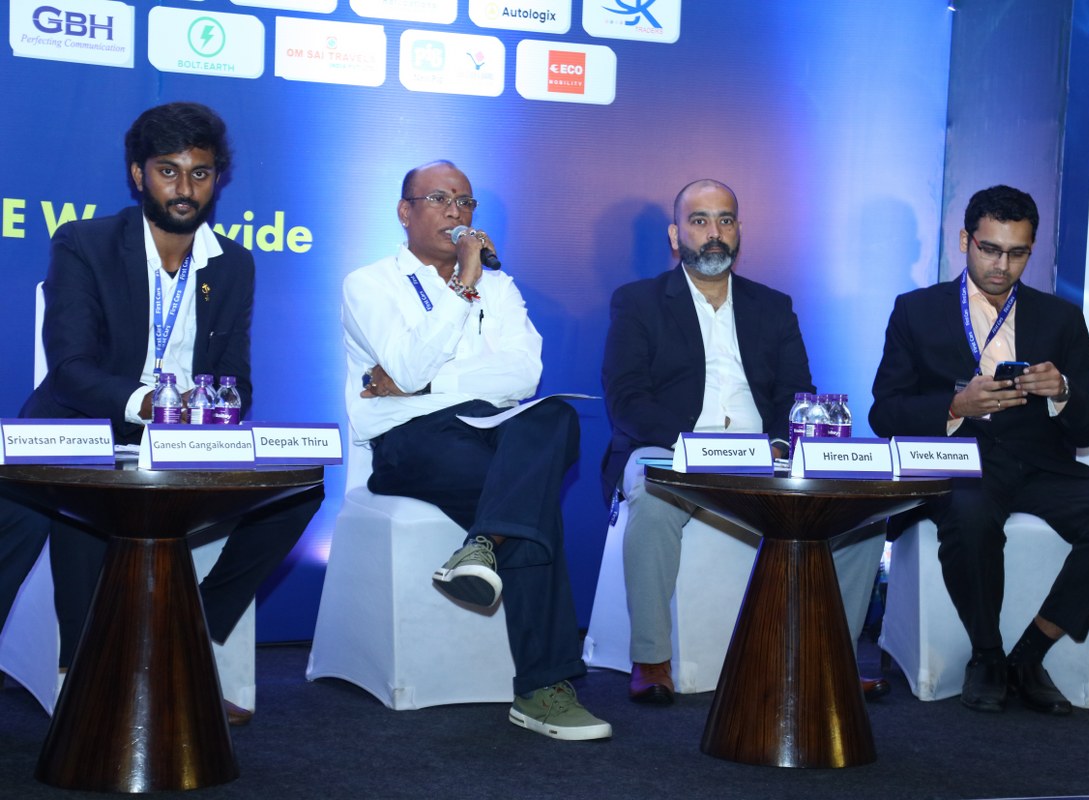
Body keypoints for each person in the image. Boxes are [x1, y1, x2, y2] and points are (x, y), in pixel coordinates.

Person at [19, 102, 323, 724]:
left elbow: (236, 382)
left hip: (183, 442)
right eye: (168, 171)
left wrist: (206, 414)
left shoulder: (233, 264)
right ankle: (90, 681)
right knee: (78, 503)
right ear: (138, 175)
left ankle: (180, 638)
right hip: (86, 427)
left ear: (217, 179)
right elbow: (70, 369)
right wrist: (152, 405)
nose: (185, 188)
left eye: (200, 173)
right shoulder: (86, 243)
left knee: (299, 491)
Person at [341, 160, 610, 741]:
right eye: (439, 199)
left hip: (490, 424)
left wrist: (428, 383)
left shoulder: (502, 287)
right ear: (405, 211)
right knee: (530, 502)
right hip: (409, 436)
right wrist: (463, 284)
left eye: (465, 202)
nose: (456, 212)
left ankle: (481, 545)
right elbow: (407, 367)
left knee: (556, 415)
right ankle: (543, 688)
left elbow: (523, 374)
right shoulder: (369, 284)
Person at [600, 179, 890, 705]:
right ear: (675, 235)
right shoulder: (639, 302)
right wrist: (695, 447)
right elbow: (627, 400)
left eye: (726, 220)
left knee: (859, 511)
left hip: (761, 455)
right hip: (671, 448)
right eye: (700, 220)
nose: (714, 232)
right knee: (652, 492)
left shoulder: (772, 306)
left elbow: (797, 392)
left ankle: (834, 659)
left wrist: (776, 444)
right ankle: (652, 658)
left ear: (739, 231)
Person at [869, 184, 1089, 715]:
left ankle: (1030, 653)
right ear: (965, 241)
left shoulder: (1060, 318)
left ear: (1031, 250)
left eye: (1017, 253)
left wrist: (1062, 391)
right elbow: (884, 412)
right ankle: (987, 655)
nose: (1002, 266)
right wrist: (956, 405)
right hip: (962, 462)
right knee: (970, 515)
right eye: (990, 249)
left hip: (1041, 463)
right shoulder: (916, 311)